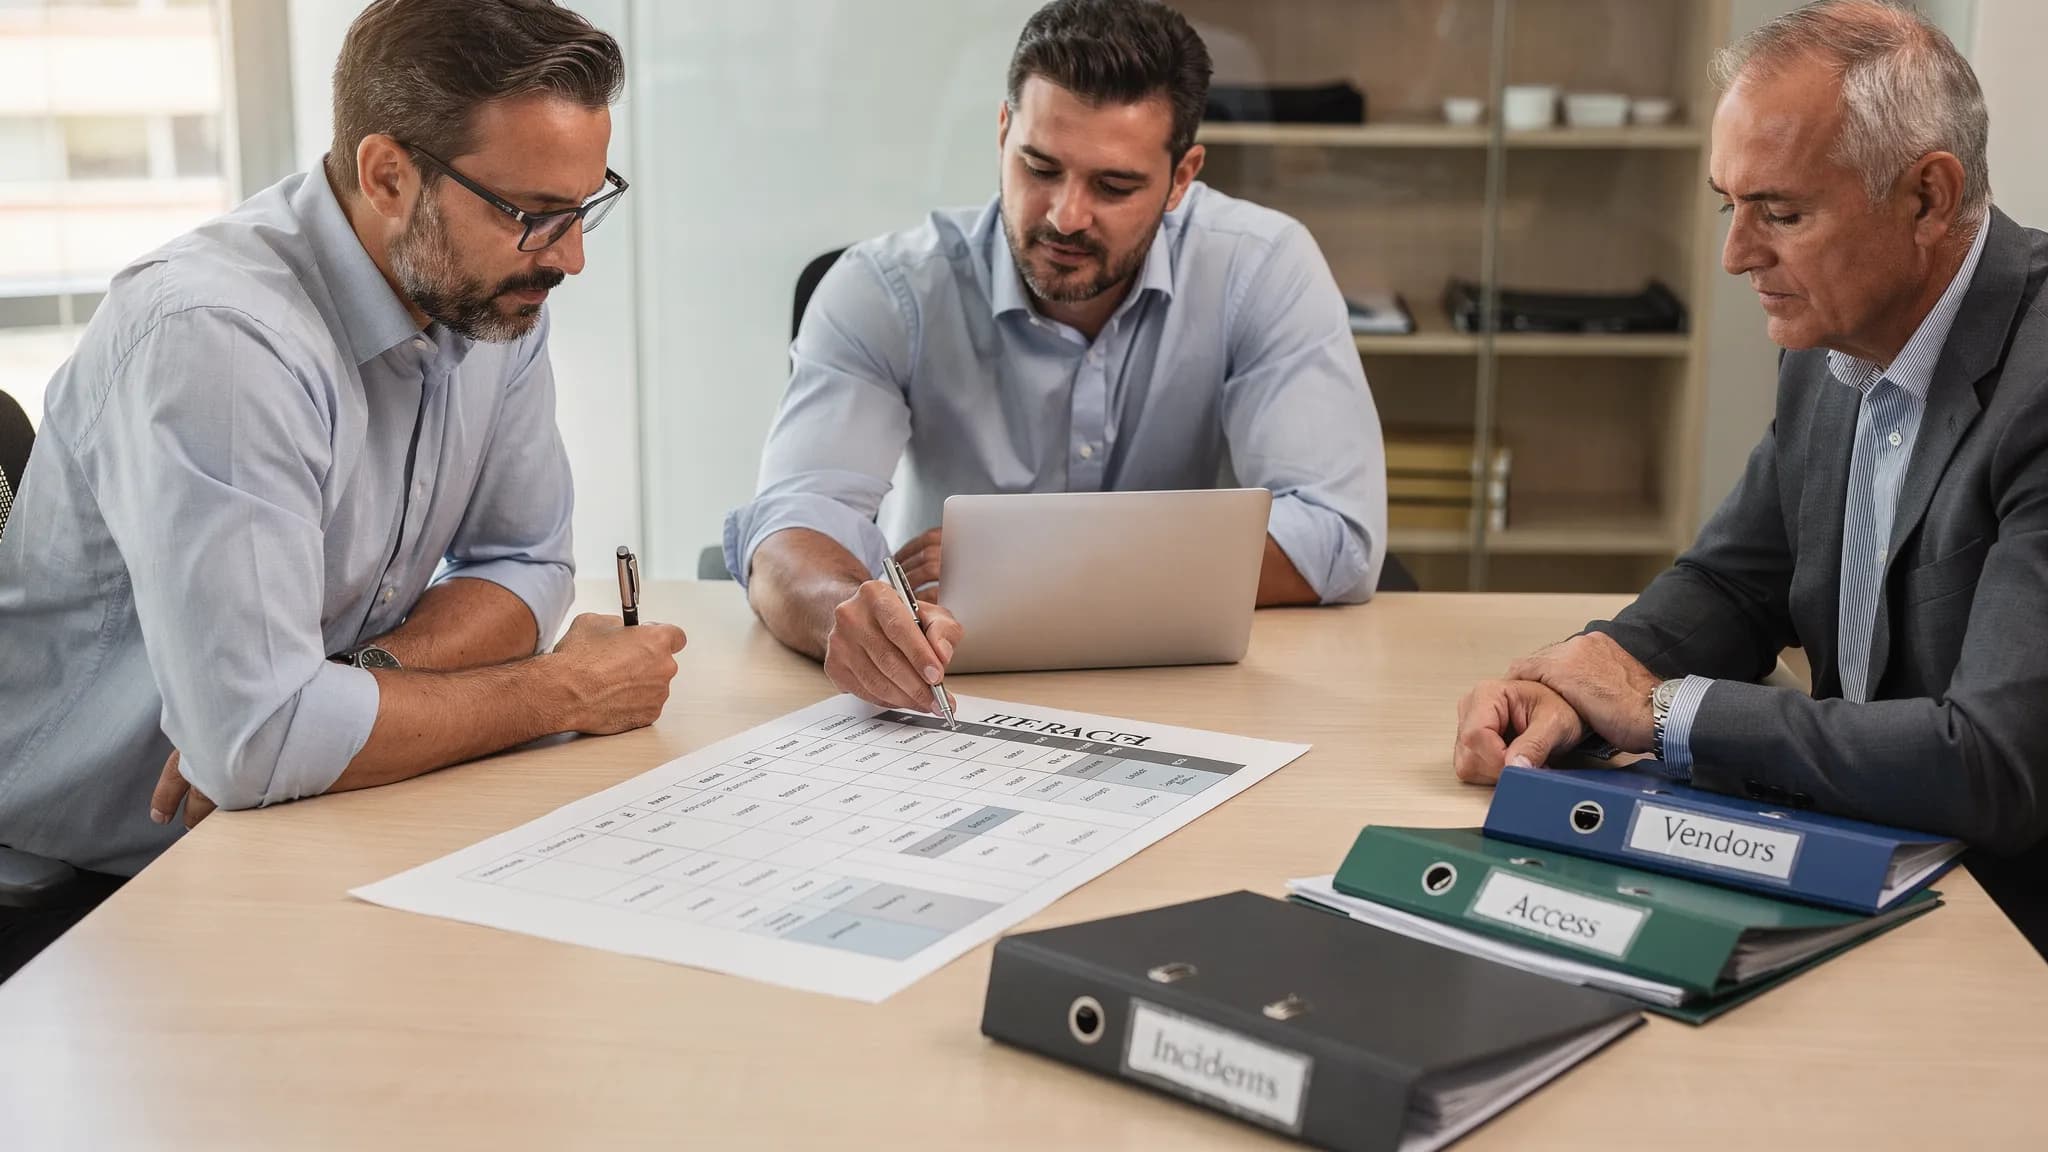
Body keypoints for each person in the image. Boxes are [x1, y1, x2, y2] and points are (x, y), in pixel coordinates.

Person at [0, 0, 684, 979]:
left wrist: (353, 689)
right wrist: (558, 690)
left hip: (309, 817)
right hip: (82, 901)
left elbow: (525, 564)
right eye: (533, 215)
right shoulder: (218, 337)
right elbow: (256, 746)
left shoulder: (492, 290)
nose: (569, 257)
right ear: (387, 175)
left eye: (583, 206)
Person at [1451, 0, 2048, 854]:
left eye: (1782, 213)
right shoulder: (1832, 337)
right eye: (1728, 204)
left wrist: (1658, 712)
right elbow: (1737, 584)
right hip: (1872, 843)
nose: (1736, 255)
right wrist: (1581, 682)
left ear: (1928, 196)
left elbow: (1994, 762)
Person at [723, 0, 1387, 713]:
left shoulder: (1262, 267)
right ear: (1004, 132)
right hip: (948, 683)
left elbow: (1336, 536)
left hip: (1186, 691)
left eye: (1114, 185)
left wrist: (1030, 569)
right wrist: (845, 618)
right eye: (1040, 167)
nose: (1066, 215)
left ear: (1182, 176)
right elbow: (791, 523)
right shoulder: (886, 289)